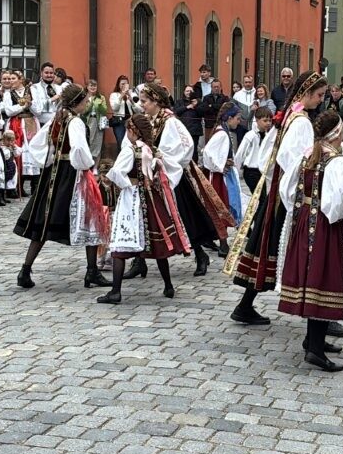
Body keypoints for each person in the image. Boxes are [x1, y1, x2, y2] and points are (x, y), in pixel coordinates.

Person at [230, 72, 343, 334]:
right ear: (306, 92)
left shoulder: (290, 115)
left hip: (280, 190)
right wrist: (305, 183)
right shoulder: (300, 121)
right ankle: (321, 316)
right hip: (290, 194)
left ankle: (246, 305)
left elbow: (272, 155)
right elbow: (292, 158)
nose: (320, 100)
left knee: (269, 248)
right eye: (319, 95)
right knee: (297, 252)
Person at [276, 111, 343, 373]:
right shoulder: (337, 161)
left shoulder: (307, 155)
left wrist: (301, 212)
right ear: (337, 133)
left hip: (304, 222)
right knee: (324, 279)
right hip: (326, 225)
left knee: (313, 278)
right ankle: (314, 350)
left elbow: (286, 189)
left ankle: (314, 340)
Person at [124, 82, 229, 280]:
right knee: (143, 216)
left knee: (183, 215)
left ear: (156, 101)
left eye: (145, 101)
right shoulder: (146, 119)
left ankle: (200, 254)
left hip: (173, 175)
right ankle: (139, 262)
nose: (142, 105)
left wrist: (161, 161)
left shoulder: (170, 121)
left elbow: (185, 145)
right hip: (149, 174)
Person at [13, 85, 112, 289]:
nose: (87, 103)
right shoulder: (75, 121)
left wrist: (50, 160)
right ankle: (91, 271)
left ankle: (25, 270)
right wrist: (86, 166)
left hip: (55, 174)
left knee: (44, 220)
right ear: (77, 102)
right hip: (73, 174)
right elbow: (79, 148)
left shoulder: (58, 117)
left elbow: (38, 144)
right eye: (84, 101)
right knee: (91, 217)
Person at [98, 113, 187, 304]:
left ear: (133, 131)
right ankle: (168, 286)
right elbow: (167, 169)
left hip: (132, 199)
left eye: (128, 130)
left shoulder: (130, 150)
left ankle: (115, 291)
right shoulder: (151, 149)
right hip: (150, 198)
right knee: (157, 243)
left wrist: (126, 184)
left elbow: (117, 172)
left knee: (120, 246)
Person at [202, 102, 244, 256]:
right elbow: (207, 153)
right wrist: (221, 164)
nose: (239, 121)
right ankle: (223, 245)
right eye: (237, 118)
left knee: (222, 207)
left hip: (222, 175)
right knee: (222, 207)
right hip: (219, 178)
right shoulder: (222, 134)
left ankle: (215, 240)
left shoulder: (223, 132)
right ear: (229, 118)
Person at [1, 71, 41, 196]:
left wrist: (31, 104)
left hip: (31, 123)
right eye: (9, 79)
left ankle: (35, 185)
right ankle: (18, 186)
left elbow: (38, 110)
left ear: (20, 79)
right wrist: (23, 106)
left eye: (13, 78)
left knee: (33, 152)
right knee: (18, 153)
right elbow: (8, 111)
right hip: (16, 124)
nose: (10, 81)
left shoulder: (32, 91)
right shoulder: (8, 94)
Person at [234, 107, 275, 193]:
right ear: (257, 120)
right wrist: (236, 172)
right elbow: (240, 154)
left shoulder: (269, 136)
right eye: (265, 121)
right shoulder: (250, 136)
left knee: (263, 196)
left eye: (270, 121)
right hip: (251, 170)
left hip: (262, 171)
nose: (268, 123)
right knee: (260, 196)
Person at [108, 75, 142, 148]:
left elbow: (139, 110)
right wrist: (121, 96)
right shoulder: (114, 95)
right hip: (119, 122)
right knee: (120, 142)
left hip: (130, 122)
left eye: (126, 84)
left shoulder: (132, 94)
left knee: (131, 142)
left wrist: (131, 100)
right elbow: (115, 108)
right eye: (122, 84)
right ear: (118, 85)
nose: (124, 86)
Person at [173, 85, 203, 163]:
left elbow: (202, 113)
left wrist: (196, 105)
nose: (189, 93)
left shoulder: (198, 101)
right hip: (183, 130)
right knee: (183, 149)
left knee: (194, 150)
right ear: (184, 92)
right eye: (187, 91)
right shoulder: (180, 101)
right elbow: (176, 111)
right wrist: (187, 107)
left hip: (195, 130)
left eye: (190, 91)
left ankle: (194, 166)